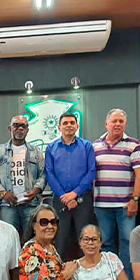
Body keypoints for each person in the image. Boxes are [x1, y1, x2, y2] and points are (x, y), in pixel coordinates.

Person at [93, 108, 140, 280]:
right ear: (106, 124)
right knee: (105, 242)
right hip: (101, 205)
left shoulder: (133, 145)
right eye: (114, 121)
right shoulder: (95, 146)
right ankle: (110, 279)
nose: (117, 124)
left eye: (121, 121)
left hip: (125, 205)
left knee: (128, 242)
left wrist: (135, 200)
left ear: (125, 124)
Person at [45, 111, 96, 259]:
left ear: (77, 126)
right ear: (59, 127)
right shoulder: (51, 148)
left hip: (83, 199)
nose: (69, 125)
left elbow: (91, 171)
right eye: (65, 123)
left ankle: (85, 270)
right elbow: (49, 173)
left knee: (84, 237)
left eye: (72, 123)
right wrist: (64, 196)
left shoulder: (87, 146)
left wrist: (74, 194)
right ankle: (59, 270)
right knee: (60, 238)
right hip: (59, 200)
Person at [0, 114, 46, 241]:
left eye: (23, 126)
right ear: (10, 129)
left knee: (32, 239)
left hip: (31, 204)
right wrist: (4, 193)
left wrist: (36, 190)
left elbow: (43, 174)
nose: (20, 129)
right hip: (8, 205)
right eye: (16, 125)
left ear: (27, 130)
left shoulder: (36, 152)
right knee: (8, 240)